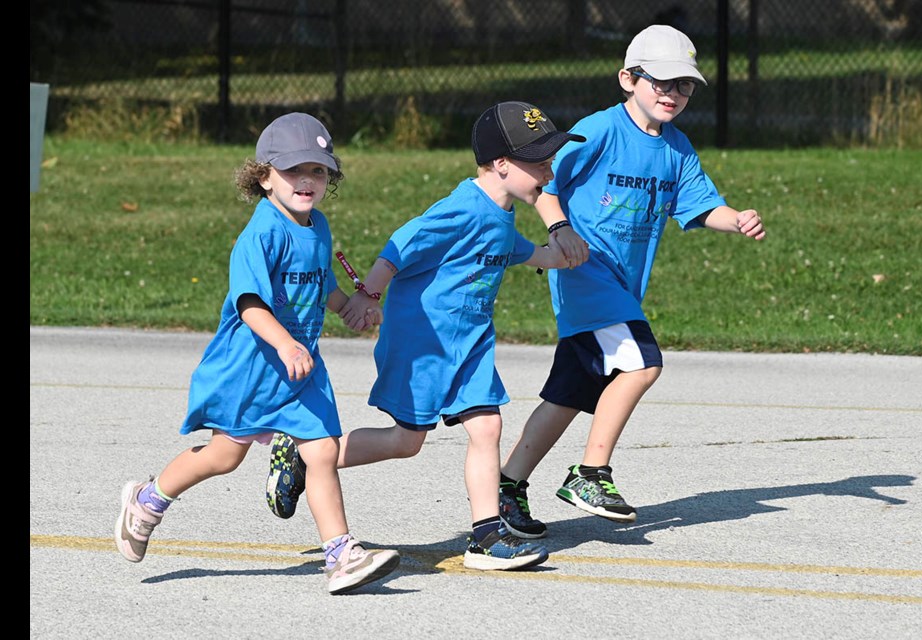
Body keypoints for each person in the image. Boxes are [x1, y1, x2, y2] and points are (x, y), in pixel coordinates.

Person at [263, 101, 588, 570]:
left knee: (488, 426)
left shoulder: (501, 216)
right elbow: (402, 243)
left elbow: (531, 255)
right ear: (500, 164)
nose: (548, 170)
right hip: (424, 345)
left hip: (471, 346)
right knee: (405, 441)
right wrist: (369, 294)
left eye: (549, 159)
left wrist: (567, 244)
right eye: (538, 161)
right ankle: (302, 456)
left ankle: (486, 537)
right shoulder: (462, 209)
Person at [496, 25, 768, 539]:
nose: (671, 93)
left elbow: (700, 205)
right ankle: (590, 474)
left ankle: (506, 488)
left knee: (569, 394)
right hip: (585, 273)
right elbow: (544, 180)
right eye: (659, 81)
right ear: (628, 79)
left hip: (621, 285)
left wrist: (736, 219)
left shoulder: (678, 149)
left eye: (683, 85)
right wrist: (559, 229)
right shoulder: (600, 130)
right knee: (644, 364)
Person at [113, 112, 400, 595]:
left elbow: (319, 284)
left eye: (318, 170)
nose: (306, 181)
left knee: (323, 452)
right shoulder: (261, 234)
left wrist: (348, 306)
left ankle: (340, 555)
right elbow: (250, 302)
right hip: (255, 365)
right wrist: (285, 342)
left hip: (300, 369)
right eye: (293, 171)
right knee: (224, 456)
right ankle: (147, 500)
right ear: (264, 178)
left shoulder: (318, 226)